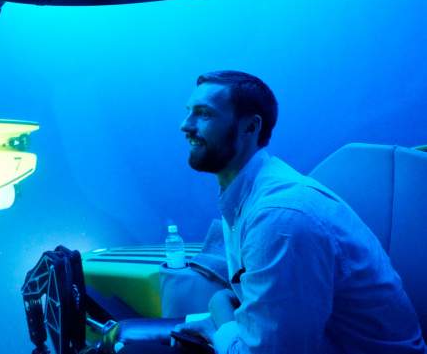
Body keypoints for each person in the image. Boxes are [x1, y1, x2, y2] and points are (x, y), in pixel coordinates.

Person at [173, 70, 426, 353]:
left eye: (204, 114)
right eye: (188, 112)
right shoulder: (247, 196)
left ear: (250, 127)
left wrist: (220, 315)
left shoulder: (279, 218)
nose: (185, 125)